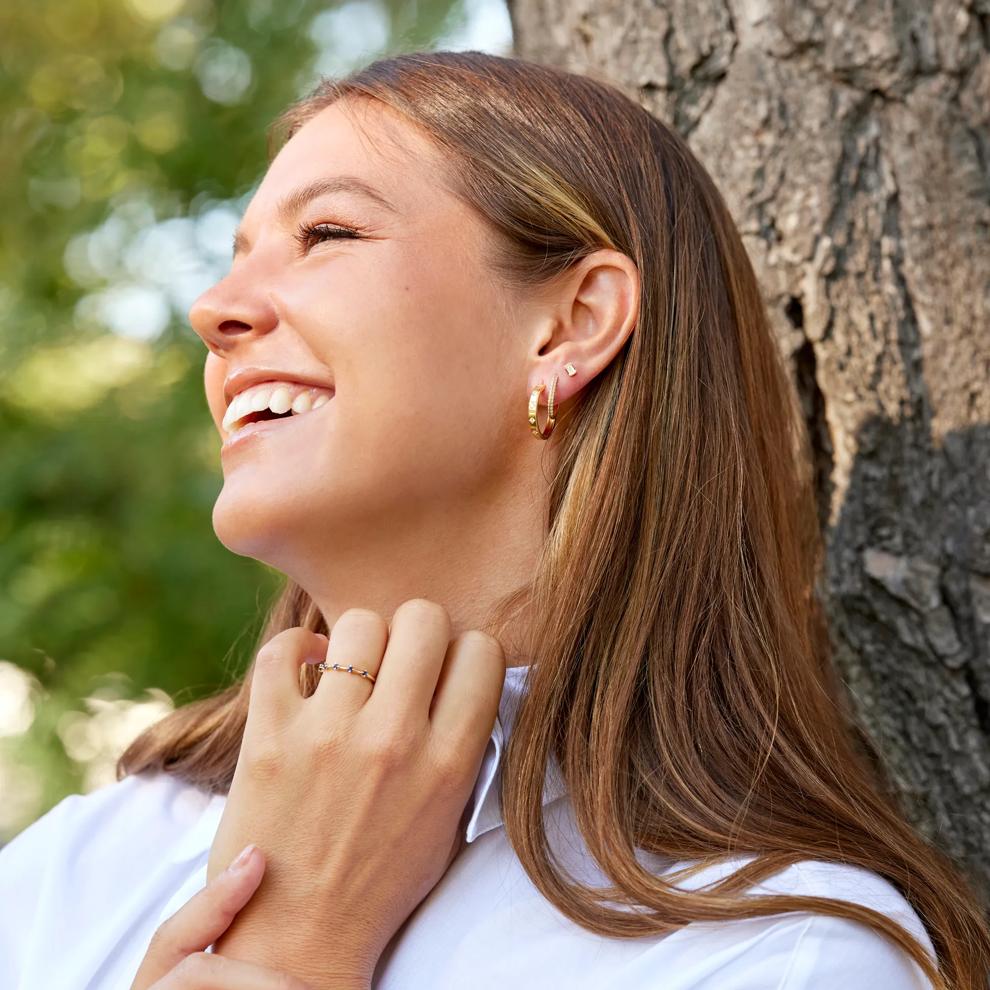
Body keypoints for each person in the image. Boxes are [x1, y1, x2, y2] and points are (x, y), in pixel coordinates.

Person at [1, 49, 988, 990]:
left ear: (571, 325)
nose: (213, 310)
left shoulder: (779, 957)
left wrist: (292, 954)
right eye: (237, 255)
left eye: (329, 235)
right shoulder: (81, 864)